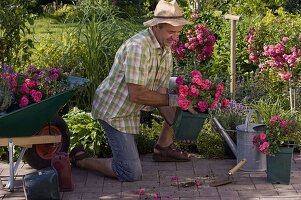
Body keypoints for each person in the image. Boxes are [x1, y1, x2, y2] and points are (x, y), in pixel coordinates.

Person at [69, 0, 192, 182]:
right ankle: (83, 161)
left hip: (132, 107)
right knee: (130, 172)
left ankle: (162, 149)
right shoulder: (139, 47)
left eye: (178, 32)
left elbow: (161, 90)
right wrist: (175, 101)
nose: (175, 37)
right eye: (171, 32)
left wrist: (181, 120)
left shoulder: (165, 49)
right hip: (115, 111)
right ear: (156, 27)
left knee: (183, 88)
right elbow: (138, 95)